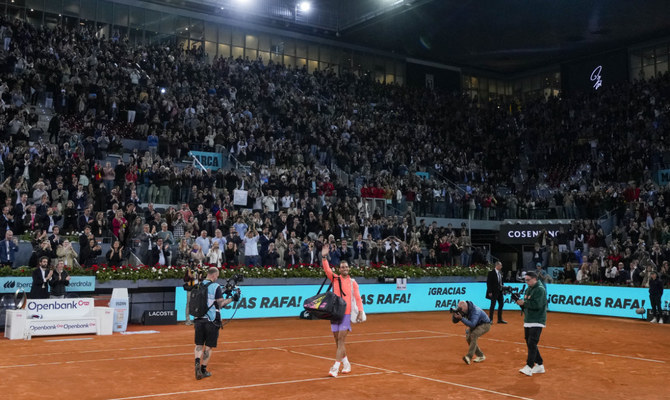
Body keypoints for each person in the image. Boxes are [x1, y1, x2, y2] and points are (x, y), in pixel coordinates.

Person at [321, 245, 364, 378]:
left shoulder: (353, 282)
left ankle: (335, 367)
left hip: (346, 313)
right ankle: (346, 363)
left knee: (341, 339)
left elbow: (357, 297)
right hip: (335, 313)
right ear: (339, 269)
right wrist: (324, 257)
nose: (345, 269)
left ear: (349, 269)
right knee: (337, 340)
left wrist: (361, 311)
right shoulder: (335, 279)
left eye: (347, 267)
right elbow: (327, 269)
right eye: (343, 267)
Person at [193, 267, 236, 380]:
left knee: (198, 345)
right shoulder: (215, 286)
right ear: (213, 275)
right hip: (211, 320)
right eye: (216, 276)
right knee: (208, 347)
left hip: (198, 319)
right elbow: (220, 304)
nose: (217, 278)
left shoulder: (199, 284)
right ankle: (203, 369)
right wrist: (233, 299)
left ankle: (197, 362)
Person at [516, 271, 548, 376]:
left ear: (535, 279)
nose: (527, 282)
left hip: (537, 320)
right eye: (525, 280)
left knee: (532, 343)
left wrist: (524, 303)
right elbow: (526, 305)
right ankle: (539, 364)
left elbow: (537, 305)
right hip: (528, 320)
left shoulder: (540, 289)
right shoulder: (528, 289)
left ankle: (529, 366)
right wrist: (520, 303)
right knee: (529, 342)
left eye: (528, 280)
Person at [452, 300, 491, 364]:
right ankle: (480, 355)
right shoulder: (465, 310)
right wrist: (455, 315)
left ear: (464, 308)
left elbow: (472, 324)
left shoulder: (475, 311)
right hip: (476, 324)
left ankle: (469, 357)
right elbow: (454, 321)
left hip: (485, 324)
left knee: (474, 334)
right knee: (468, 338)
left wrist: (461, 318)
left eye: (460, 309)